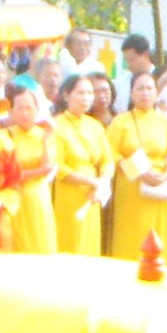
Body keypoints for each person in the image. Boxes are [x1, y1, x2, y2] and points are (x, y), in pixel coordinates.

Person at [107, 71, 167, 263]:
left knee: (157, 235)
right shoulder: (121, 121)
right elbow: (110, 154)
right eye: (140, 88)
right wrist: (138, 172)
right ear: (131, 94)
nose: (145, 93)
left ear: (157, 93)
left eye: (150, 88)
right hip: (131, 185)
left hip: (158, 186)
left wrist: (165, 175)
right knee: (130, 236)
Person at [0, 87, 59, 256]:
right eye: (19, 108)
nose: (25, 113)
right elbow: (5, 173)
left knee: (41, 245)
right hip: (14, 197)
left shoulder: (45, 135)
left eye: (29, 108)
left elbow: (48, 168)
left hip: (38, 198)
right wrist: (35, 172)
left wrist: (47, 137)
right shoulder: (3, 136)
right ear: (11, 111)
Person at [49, 75, 111, 256]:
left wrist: (103, 180)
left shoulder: (95, 126)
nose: (86, 97)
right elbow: (57, 166)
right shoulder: (57, 125)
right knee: (71, 243)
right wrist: (90, 181)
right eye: (81, 92)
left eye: (89, 93)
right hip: (69, 194)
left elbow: (107, 160)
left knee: (90, 244)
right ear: (67, 95)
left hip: (92, 194)